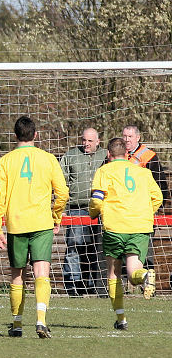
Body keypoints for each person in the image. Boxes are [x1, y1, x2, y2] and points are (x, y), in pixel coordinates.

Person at [0, 116, 69, 339]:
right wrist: (56, 216)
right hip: (42, 223)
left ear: (15, 136)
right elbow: (62, 193)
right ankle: (41, 321)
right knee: (41, 272)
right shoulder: (48, 159)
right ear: (36, 135)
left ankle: (16, 324)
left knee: (17, 274)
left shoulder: (6, 161)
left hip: (16, 224)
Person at [89, 138, 161, 330]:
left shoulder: (104, 171)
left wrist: (94, 212)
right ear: (127, 155)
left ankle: (121, 319)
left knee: (113, 273)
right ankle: (145, 275)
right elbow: (158, 197)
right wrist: (145, 212)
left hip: (115, 227)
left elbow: (96, 200)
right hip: (139, 227)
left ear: (108, 155)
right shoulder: (143, 172)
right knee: (132, 273)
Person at [59, 128, 107, 296]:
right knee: (74, 246)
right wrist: (62, 209)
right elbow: (60, 183)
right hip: (76, 209)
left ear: (98, 142)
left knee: (96, 248)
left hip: (101, 210)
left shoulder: (106, 156)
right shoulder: (70, 156)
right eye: (84, 140)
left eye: (90, 141)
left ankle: (93, 283)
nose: (86, 144)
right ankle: (73, 283)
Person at [122, 125, 168, 272]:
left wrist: (155, 209)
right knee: (122, 251)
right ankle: (124, 288)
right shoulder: (116, 154)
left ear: (138, 137)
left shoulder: (148, 156)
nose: (127, 140)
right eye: (124, 136)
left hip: (143, 213)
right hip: (122, 212)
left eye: (130, 137)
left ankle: (148, 284)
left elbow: (161, 186)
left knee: (145, 250)